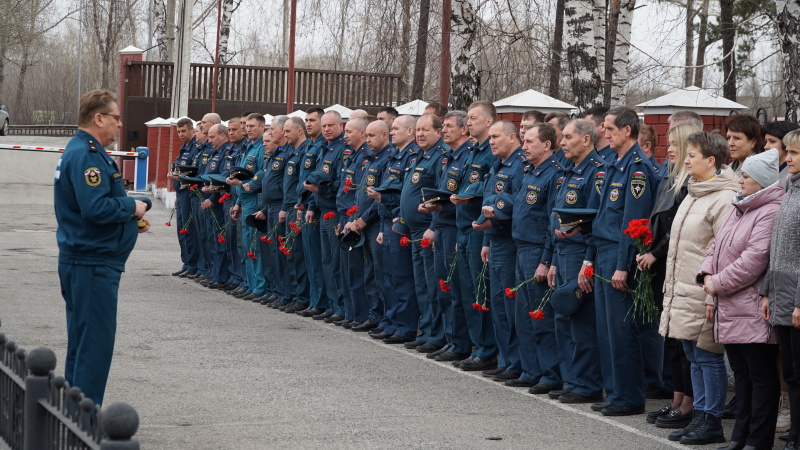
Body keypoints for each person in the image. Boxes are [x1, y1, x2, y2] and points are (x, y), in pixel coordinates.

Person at [55, 89, 150, 406]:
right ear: (98, 118)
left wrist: (127, 216)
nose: (120, 125)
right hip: (91, 263)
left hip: (88, 260)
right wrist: (132, 209)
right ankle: (85, 421)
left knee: (84, 343)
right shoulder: (86, 155)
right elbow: (95, 208)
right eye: (116, 118)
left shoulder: (84, 150)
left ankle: (73, 413)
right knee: (94, 345)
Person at [699, 149, 784, 450]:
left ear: (761, 180)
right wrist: (707, 274)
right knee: (744, 375)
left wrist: (716, 284)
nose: (740, 180)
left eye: (746, 176)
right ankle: (740, 436)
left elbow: (754, 260)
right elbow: (715, 246)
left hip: (749, 305)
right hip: (730, 304)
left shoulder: (769, 210)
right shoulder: (741, 207)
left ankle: (758, 440)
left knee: (760, 376)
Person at [658, 131, 739, 444]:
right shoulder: (694, 191)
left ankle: (712, 420)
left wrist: (712, 295)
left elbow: (722, 251)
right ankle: (699, 417)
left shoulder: (723, 198)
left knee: (708, 356)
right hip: (682, 290)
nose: (686, 160)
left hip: (704, 292)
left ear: (712, 161)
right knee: (693, 355)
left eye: (692, 155)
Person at [590, 107, 660, 416]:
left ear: (627, 131)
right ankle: (615, 392)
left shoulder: (638, 168)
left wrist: (622, 265)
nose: (604, 133)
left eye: (610, 128)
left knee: (622, 330)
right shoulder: (614, 163)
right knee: (607, 330)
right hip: (604, 251)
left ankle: (629, 396)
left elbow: (632, 224)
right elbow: (604, 216)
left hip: (620, 256)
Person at [638, 123, 699, 429]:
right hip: (666, 265)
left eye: (675, 145)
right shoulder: (672, 177)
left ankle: (688, 403)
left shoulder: (689, 184)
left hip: (676, 265)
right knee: (672, 337)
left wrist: (654, 252)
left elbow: (676, 226)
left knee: (682, 339)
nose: (669, 150)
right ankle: (677, 398)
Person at [546, 119, 605, 403]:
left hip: (581, 252)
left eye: (568, 137)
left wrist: (589, 262)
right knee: (564, 317)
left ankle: (587, 384)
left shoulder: (597, 172)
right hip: (563, 251)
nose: (562, 143)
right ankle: (571, 380)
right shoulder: (568, 170)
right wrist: (554, 259)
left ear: (586, 139)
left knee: (581, 320)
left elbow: (596, 221)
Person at [509, 122, 562, 390]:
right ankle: (531, 370)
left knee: (542, 315)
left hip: (536, 250)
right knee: (525, 314)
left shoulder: (553, 174)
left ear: (547, 145)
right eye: (524, 141)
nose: (524, 147)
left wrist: (545, 259)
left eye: (529, 142)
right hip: (521, 248)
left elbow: (552, 222)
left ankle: (550, 373)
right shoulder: (531, 171)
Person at [472, 120, 526, 382]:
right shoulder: (498, 164)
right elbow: (488, 202)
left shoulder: (519, 166)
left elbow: (517, 206)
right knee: (498, 306)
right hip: (494, 240)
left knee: (510, 305)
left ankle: (514, 362)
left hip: (509, 243)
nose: (491, 141)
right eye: (490, 137)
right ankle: (506, 360)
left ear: (513, 137)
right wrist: (485, 242)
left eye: (496, 136)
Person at [451, 101, 498, 372]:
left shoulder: (491, 153)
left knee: (480, 291)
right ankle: (478, 345)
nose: (468, 123)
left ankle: (487, 349)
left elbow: (488, 186)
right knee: (469, 289)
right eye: (467, 118)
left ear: (489, 121)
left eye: (473, 118)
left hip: (479, 229)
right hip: (465, 228)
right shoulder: (473, 151)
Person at [761, 129, 800, 450]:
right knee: (790, 369)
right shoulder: (789, 189)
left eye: (795, 154)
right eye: (787, 152)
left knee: (798, 370)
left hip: (796, 298)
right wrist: (766, 292)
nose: (788, 159)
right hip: (781, 294)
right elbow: (776, 247)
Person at [398, 114, 449, 351]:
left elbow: (441, 195)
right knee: (421, 284)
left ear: (439, 132)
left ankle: (437, 334)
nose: (420, 134)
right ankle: (427, 330)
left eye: (426, 130)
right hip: (414, 230)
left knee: (432, 284)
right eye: (418, 130)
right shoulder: (418, 155)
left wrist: (432, 227)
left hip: (429, 231)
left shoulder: (442, 157)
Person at [168, 118, 198, 278]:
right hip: (181, 193)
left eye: (183, 131)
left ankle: (192, 264)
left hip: (189, 193)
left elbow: (192, 173)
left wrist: (178, 179)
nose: (181, 134)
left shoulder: (196, 147)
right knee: (181, 230)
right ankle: (186, 262)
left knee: (188, 229)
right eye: (178, 131)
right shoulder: (184, 147)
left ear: (192, 130)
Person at [763, 121, 800, 188]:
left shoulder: (791, 175)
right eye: (766, 141)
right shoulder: (766, 168)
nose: (766, 146)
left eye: (772, 141)